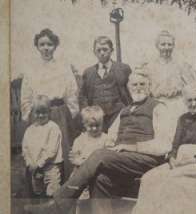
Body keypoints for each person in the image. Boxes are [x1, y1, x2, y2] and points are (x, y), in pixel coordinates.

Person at [24, 69, 173, 214]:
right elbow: (110, 139)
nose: (138, 88)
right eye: (134, 85)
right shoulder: (124, 111)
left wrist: (131, 147)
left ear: (150, 86)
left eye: (142, 84)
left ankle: (59, 204)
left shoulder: (158, 107)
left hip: (146, 160)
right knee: (99, 178)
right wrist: (109, 145)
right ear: (128, 88)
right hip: (123, 160)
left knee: (100, 155)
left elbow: (164, 145)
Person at [132, 82, 196, 214]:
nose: (193, 103)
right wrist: (172, 158)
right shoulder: (182, 119)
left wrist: (195, 159)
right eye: (189, 100)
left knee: (173, 181)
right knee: (149, 178)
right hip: (180, 162)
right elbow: (175, 147)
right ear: (184, 101)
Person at [21, 28, 79, 180]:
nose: (46, 48)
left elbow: (72, 92)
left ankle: (63, 188)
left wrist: (70, 114)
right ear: (37, 46)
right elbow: (26, 94)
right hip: (39, 113)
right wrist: (29, 114)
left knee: (61, 150)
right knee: (38, 150)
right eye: (42, 44)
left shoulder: (64, 67)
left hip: (59, 111)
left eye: (49, 44)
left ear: (55, 46)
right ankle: (37, 189)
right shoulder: (30, 69)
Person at [145, 30, 196, 137]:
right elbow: (145, 88)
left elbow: (192, 87)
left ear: (173, 46)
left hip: (176, 104)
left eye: (169, 44)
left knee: (177, 133)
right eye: (163, 44)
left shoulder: (181, 65)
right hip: (157, 105)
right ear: (157, 46)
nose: (166, 47)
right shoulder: (149, 66)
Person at [79, 36, 132, 132]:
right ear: (94, 52)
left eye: (105, 49)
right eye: (98, 50)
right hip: (97, 118)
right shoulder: (88, 72)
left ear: (111, 50)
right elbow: (83, 96)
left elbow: (131, 92)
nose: (102, 53)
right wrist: (88, 114)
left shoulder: (123, 69)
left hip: (118, 114)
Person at [69, 106, 114, 200]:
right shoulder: (80, 140)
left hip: (98, 174)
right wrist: (79, 162)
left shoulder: (106, 139)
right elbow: (74, 158)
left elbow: (109, 157)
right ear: (84, 125)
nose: (94, 129)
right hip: (81, 175)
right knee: (79, 199)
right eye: (90, 126)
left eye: (97, 125)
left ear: (102, 124)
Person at [22, 95, 63, 198]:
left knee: (52, 192)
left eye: (44, 112)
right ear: (32, 112)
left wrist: (39, 164)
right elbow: (25, 148)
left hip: (50, 167)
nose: (40, 115)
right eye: (37, 112)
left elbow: (51, 151)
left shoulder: (53, 128)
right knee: (38, 192)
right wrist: (29, 162)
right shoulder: (30, 130)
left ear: (49, 112)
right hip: (34, 168)